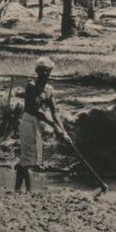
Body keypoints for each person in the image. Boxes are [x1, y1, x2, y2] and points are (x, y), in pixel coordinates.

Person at [15, 57, 72, 191]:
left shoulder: (49, 89)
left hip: (39, 124)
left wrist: (64, 131)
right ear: (37, 71)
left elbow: (54, 112)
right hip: (28, 122)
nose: (46, 74)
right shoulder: (31, 86)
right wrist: (54, 127)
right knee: (29, 158)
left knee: (30, 158)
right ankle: (29, 191)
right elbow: (37, 111)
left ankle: (17, 189)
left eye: (48, 71)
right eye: (43, 71)